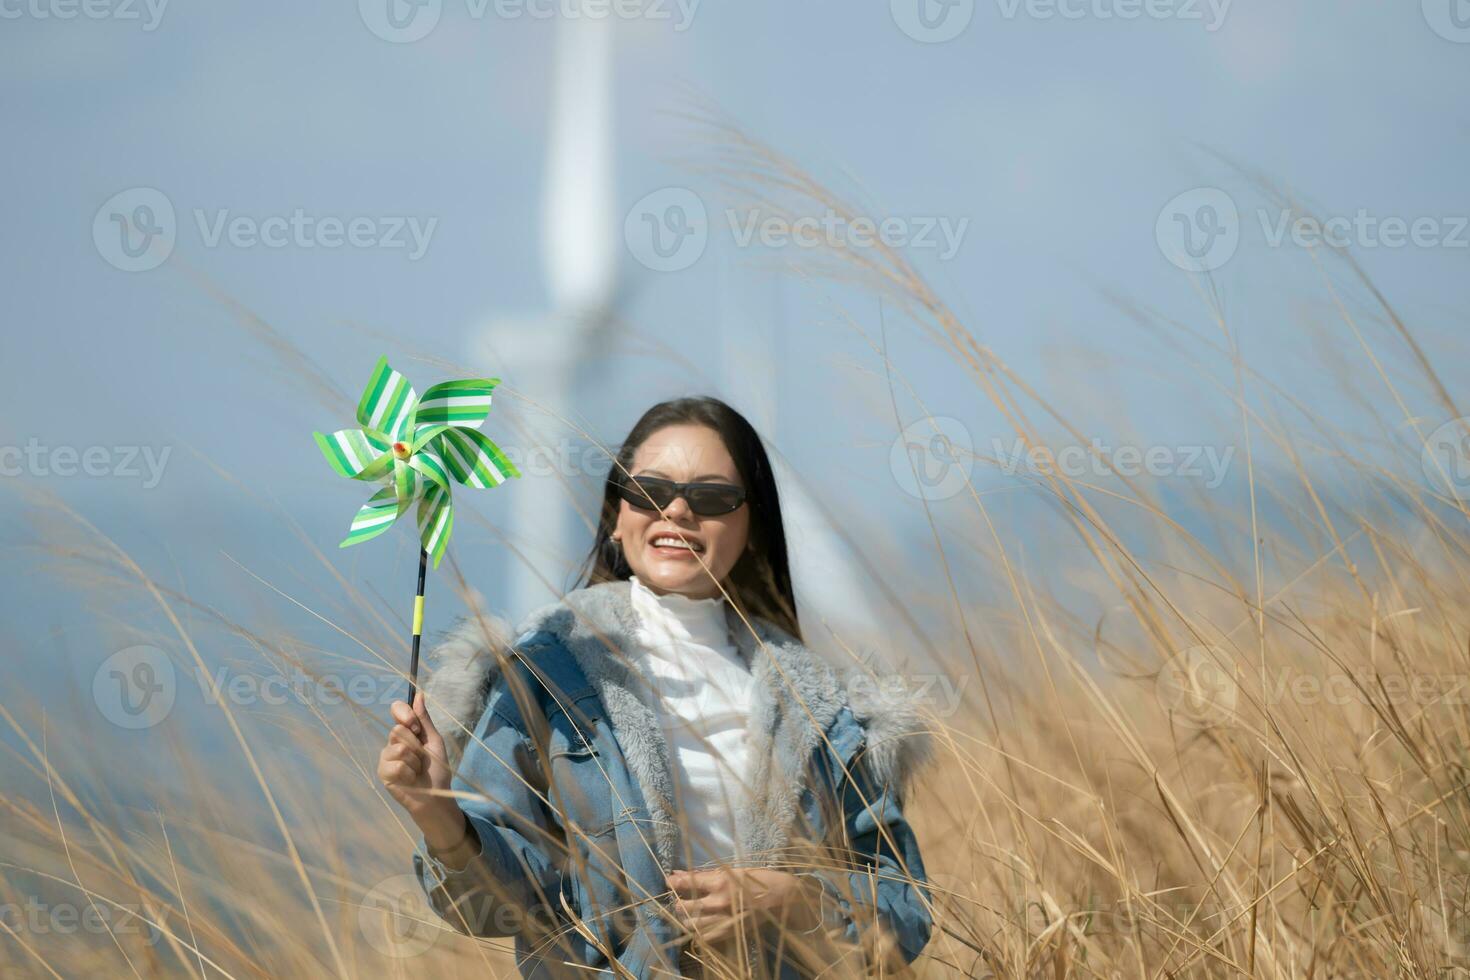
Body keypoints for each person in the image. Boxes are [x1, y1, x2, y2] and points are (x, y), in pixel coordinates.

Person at [377, 396, 934, 977]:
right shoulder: (544, 672)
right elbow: (489, 910)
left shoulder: (821, 704)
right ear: (617, 513)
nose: (676, 510)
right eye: (649, 490)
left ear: (752, 524)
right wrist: (437, 812)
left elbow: (907, 910)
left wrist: (792, 901)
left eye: (713, 497)